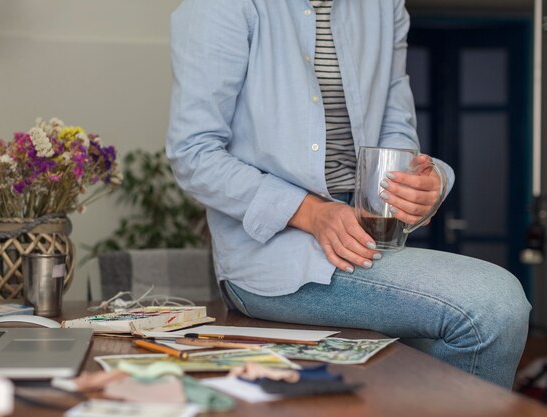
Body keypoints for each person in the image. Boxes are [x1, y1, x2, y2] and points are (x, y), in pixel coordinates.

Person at [165, 0, 530, 388]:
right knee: (494, 306)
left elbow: (396, 128)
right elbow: (193, 154)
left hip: (366, 242)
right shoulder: (222, 7)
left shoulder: (385, 7)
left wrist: (424, 183)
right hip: (272, 256)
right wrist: (311, 213)